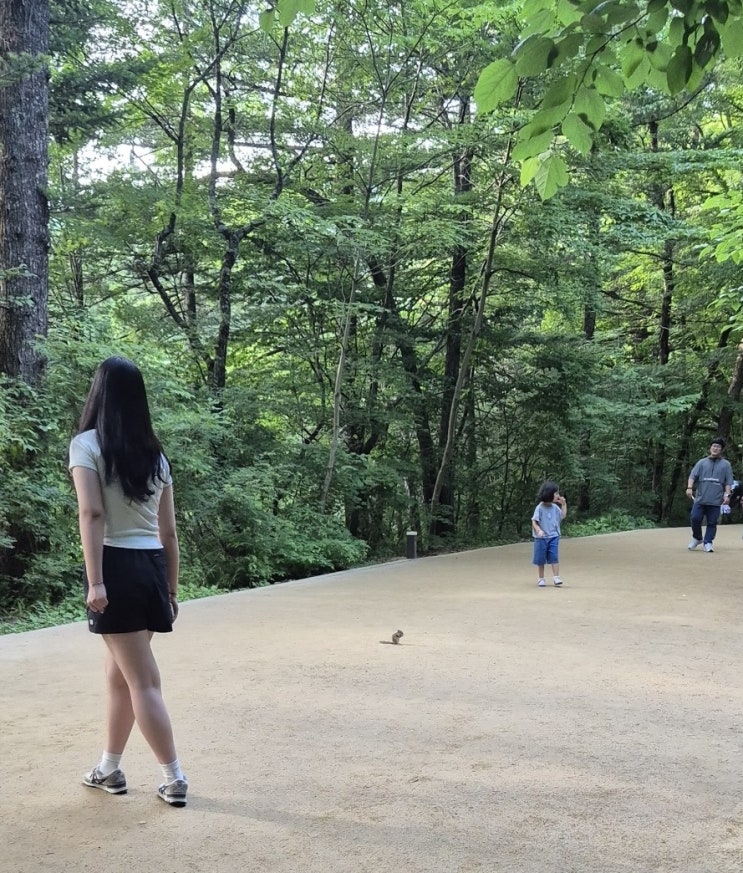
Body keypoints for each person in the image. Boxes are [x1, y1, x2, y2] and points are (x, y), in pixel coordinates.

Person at [69, 356, 188, 807]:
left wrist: (96, 581)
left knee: (143, 680)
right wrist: (171, 588)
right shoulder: (156, 455)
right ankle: (109, 768)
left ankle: (174, 777)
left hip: (115, 566)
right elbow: (169, 532)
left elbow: (92, 513)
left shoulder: (87, 446)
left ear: (98, 394)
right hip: (151, 567)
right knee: (118, 675)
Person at [686, 437, 734, 553]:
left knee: (712, 522)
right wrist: (689, 488)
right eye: (713, 446)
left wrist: (727, 495)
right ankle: (697, 538)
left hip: (715, 500)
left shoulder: (726, 465)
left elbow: (728, 482)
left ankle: (708, 542)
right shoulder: (702, 462)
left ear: (721, 449)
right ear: (710, 448)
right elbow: (692, 476)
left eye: (718, 447)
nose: (715, 448)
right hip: (700, 498)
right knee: (695, 518)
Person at [531, 481, 568, 587]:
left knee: (554, 557)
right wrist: (538, 530)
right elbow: (534, 521)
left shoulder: (555, 507)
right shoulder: (539, 507)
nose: (558, 495)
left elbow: (563, 515)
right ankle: (541, 578)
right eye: (556, 493)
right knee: (540, 559)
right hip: (541, 538)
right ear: (549, 493)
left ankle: (556, 577)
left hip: (553, 536)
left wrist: (564, 505)